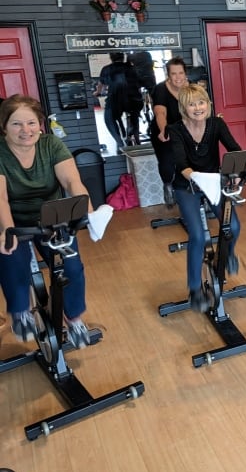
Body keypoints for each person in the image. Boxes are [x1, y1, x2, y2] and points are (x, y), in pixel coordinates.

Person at [0, 95, 93, 348]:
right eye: (16, 124)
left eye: (31, 123)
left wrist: (89, 212)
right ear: (4, 126)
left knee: (71, 266)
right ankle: (20, 310)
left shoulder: (51, 144)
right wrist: (8, 231)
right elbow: (1, 199)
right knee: (12, 259)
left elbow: (72, 181)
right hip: (11, 218)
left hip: (50, 217)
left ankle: (73, 317)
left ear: (40, 123)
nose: (25, 131)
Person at [168, 84, 243, 312]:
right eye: (191, 104)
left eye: (201, 102)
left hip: (214, 183)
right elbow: (181, 163)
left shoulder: (216, 124)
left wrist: (237, 172)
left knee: (234, 226)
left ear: (208, 104)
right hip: (187, 185)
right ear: (184, 108)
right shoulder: (176, 130)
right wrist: (197, 178)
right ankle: (194, 289)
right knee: (198, 237)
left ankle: (228, 254)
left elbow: (234, 149)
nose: (197, 108)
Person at [150, 57, 188, 206]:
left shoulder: (191, 89)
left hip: (185, 131)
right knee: (167, 162)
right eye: (174, 73)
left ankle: (191, 195)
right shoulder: (160, 89)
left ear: (185, 73)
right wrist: (164, 130)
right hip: (164, 130)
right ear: (168, 75)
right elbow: (160, 113)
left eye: (181, 73)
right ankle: (168, 184)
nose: (178, 77)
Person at [98, 52, 141, 150]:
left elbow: (101, 86)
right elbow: (138, 84)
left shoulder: (106, 69)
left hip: (116, 101)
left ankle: (119, 142)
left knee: (108, 118)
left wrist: (97, 92)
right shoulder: (131, 68)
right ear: (123, 57)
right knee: (135, 114)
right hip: (134, 100)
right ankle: (136, 135)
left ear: (111, 58)